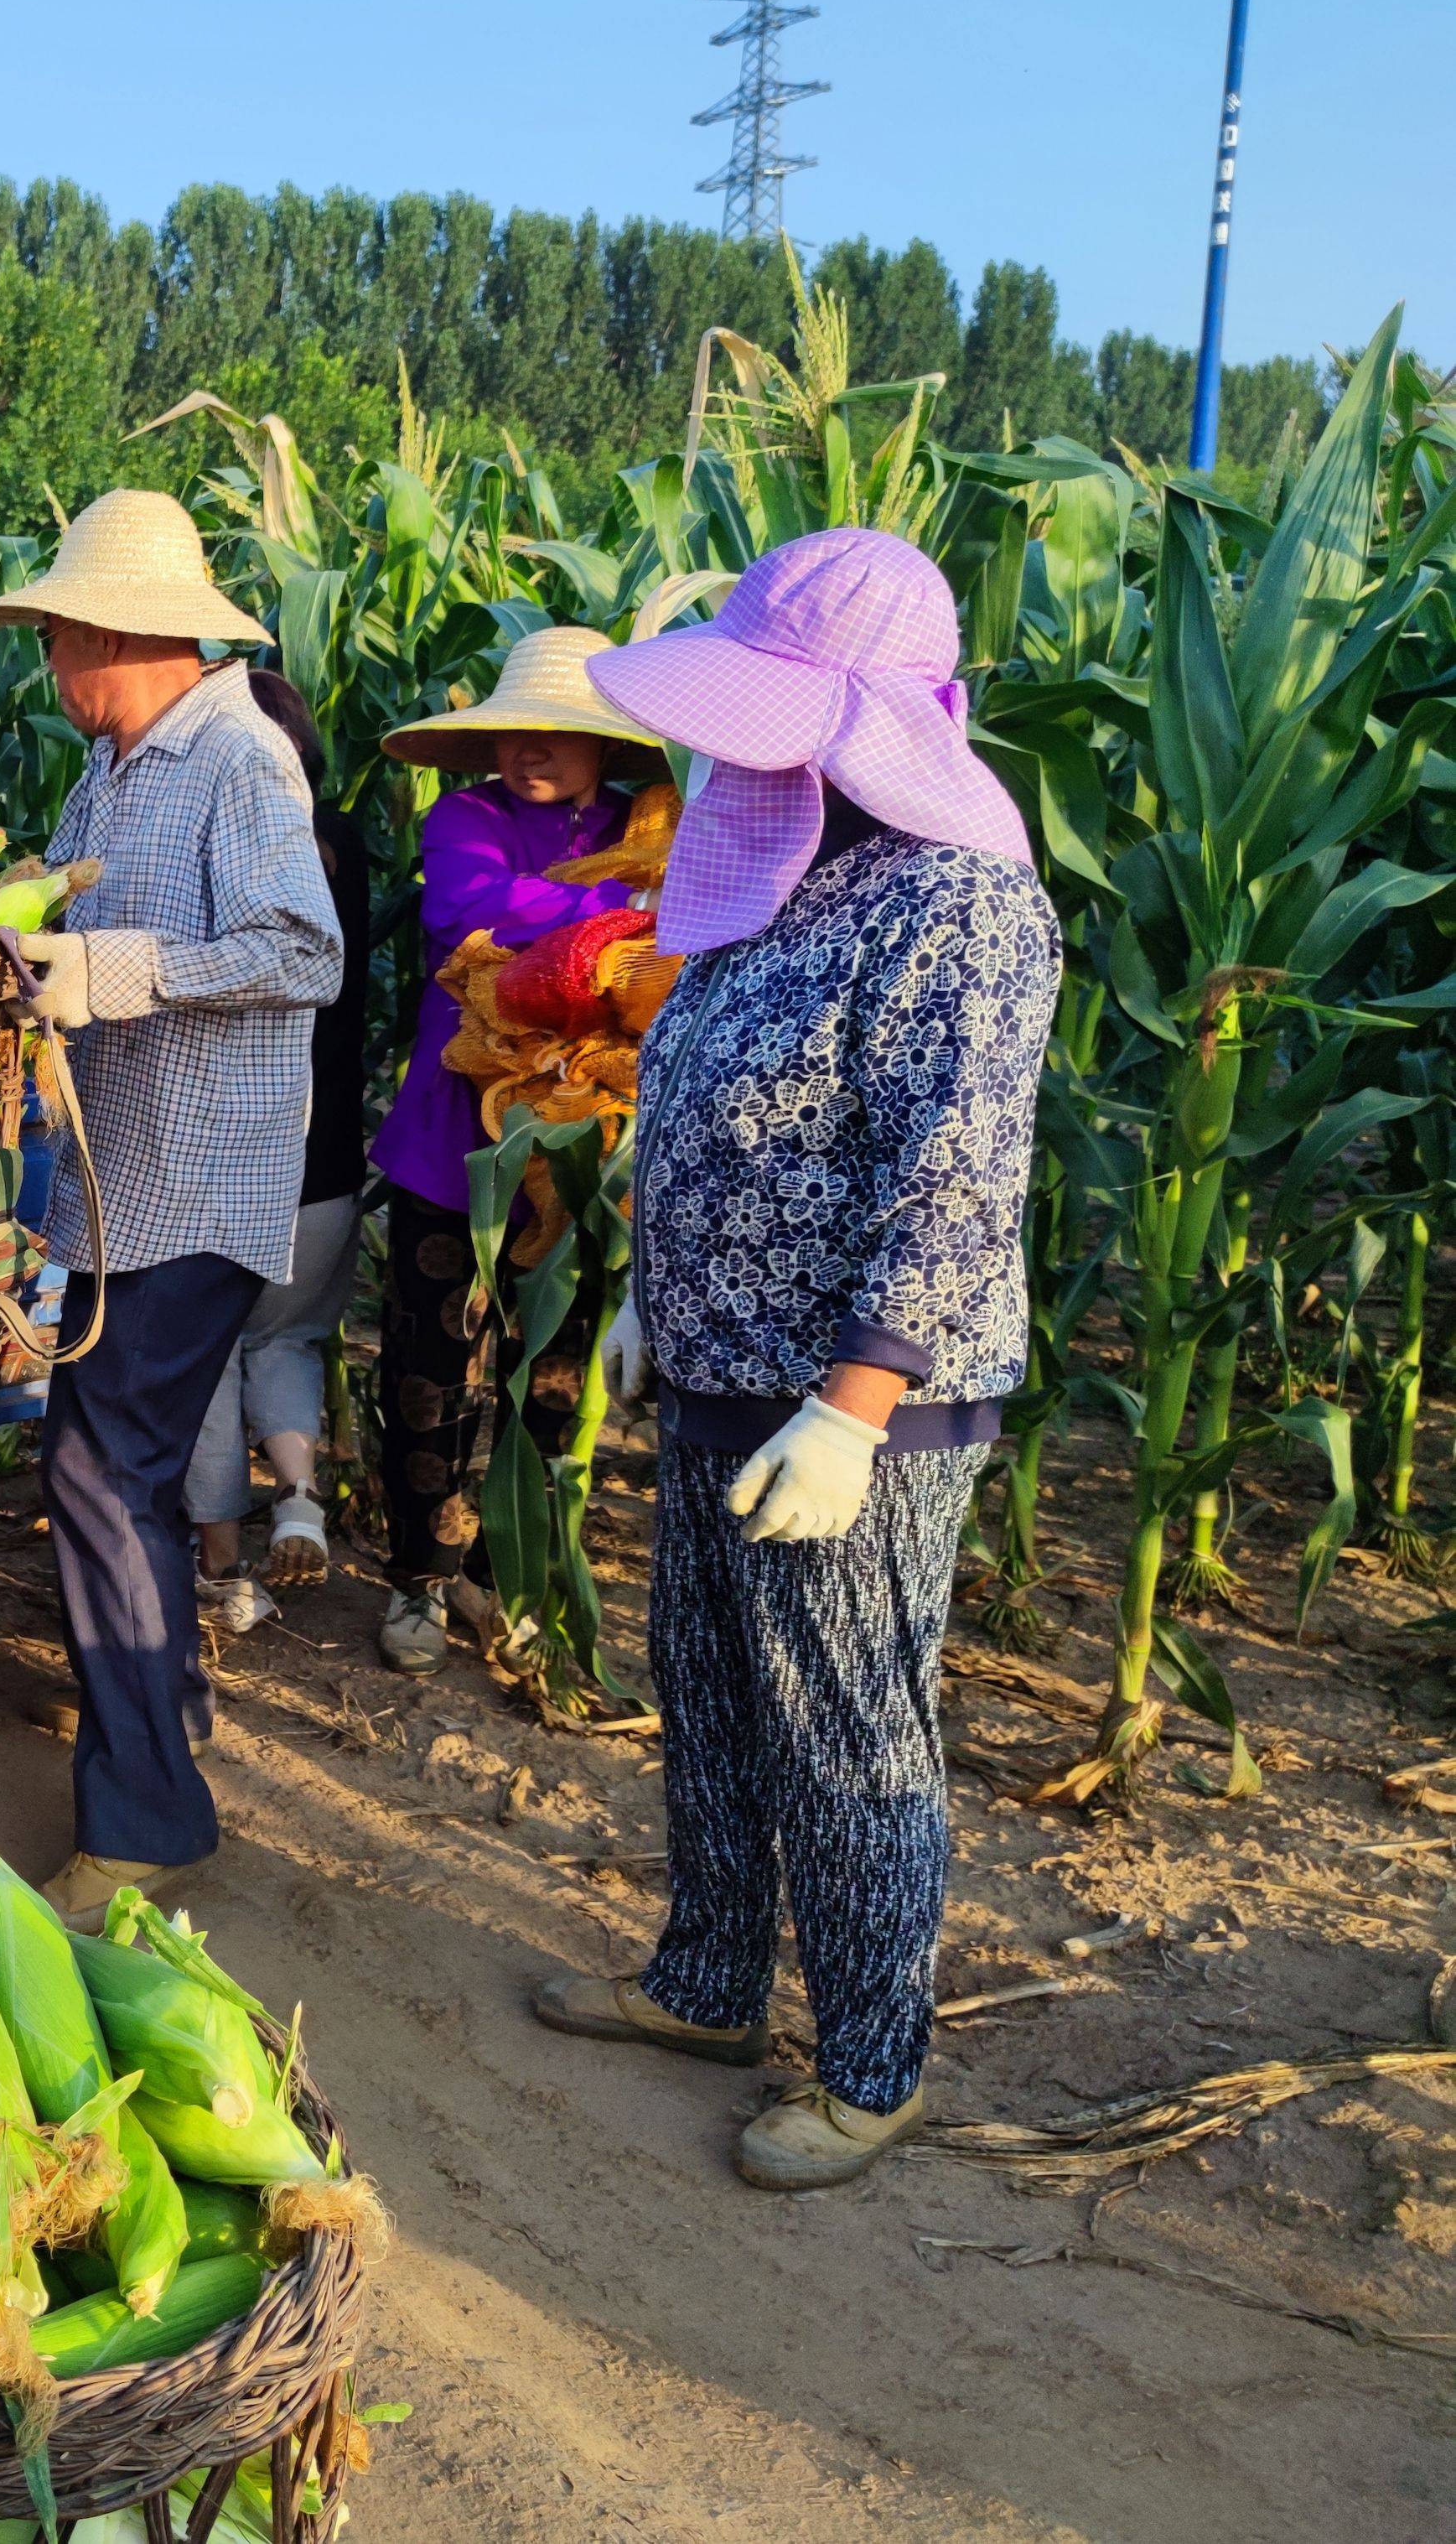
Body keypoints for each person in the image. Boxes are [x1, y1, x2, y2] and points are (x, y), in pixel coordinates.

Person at [533, 528, 1057, 2190]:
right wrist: (649, 1291)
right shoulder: (774, 874)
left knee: (841, 1728)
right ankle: (701, 1980)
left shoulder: (955, 901)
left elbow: (956, 1170)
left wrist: (851, 1402)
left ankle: (868, 2062)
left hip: (854, 1403)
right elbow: (700, 1101)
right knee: (704, 1689)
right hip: (716, 1364)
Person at [0, 492, 341, 1930]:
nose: (50, 662)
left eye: (57, 634)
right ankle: (161, 1719)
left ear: (111, 632)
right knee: (103, 1462)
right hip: (119, 1176)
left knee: (96, 1467)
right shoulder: (111, 770)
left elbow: (299, 948)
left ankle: (145, 1819)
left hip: (200, 1173)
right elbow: (71, 909)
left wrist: (111, 971)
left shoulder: (237, 753)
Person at [360, 626, 664, 1674]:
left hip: (581, 1145)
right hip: (456, 1141)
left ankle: (507, 1575)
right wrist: (616, 912)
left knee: (548, 1372)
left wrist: (622, 918)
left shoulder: (645, 824)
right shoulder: (467, 816)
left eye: (556, 735)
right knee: (432, 1371)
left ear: (604, 749)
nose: (529, 752)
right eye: (516, 734)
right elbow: (465, 907)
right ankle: (417, 1582)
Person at [183, 663, 369, 1628]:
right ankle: (298, 1497)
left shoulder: (229, 846)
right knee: (287, 1334)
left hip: (234, 1153)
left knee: (209, 1355)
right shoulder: (341, 845)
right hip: (330, 1161)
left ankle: (221, 1567)